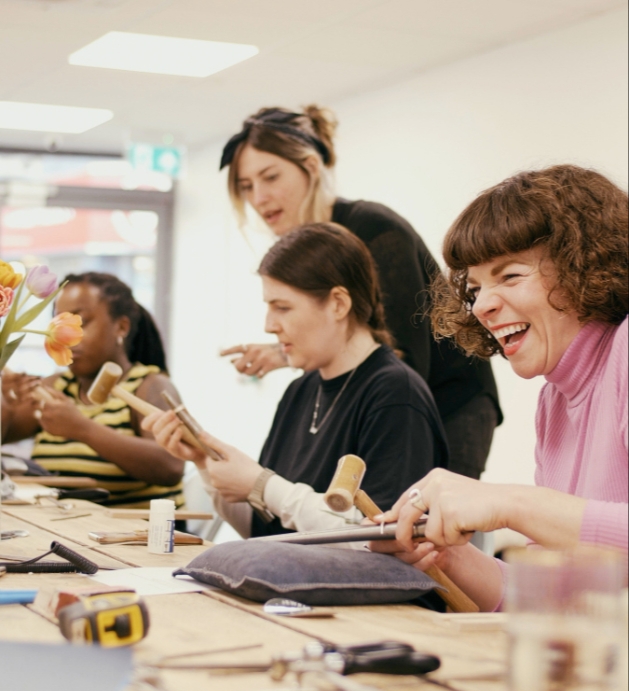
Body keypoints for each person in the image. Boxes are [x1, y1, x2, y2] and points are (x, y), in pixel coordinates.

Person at [370, 165, 628, 611]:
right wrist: (447, 556)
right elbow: (552, 600)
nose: (482, 307)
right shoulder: (554, 401)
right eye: (474, 288)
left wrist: (510, 503)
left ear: (585, 265)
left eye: (509, 276)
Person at [218, 105, 501, 480]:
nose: (259, 197)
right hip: (389, 392)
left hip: (449, 400)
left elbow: (401, 353)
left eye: (270, 177)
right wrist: (283, 353)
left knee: (427, 526)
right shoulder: (311, 246)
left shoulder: (376, 229)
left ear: (311, 168)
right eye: (246, 186)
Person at [144, 223, 448, 539]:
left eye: (283, 307)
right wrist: (207, 464)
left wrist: (262, 484)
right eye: (269, 307)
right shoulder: (301, 390)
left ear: (338, 304)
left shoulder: (396, 395)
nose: (269, 325)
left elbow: (377, 539)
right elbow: (266, 531)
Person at [2, 272, 185, 509]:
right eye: (59, 323)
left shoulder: (149, 386)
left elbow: (171, 466)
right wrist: (5, 404)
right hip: (66, 532)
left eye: (81, 322)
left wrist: (83, 429)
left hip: (134, 539)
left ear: (121, 327)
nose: (64, 338)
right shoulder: (55, 387)